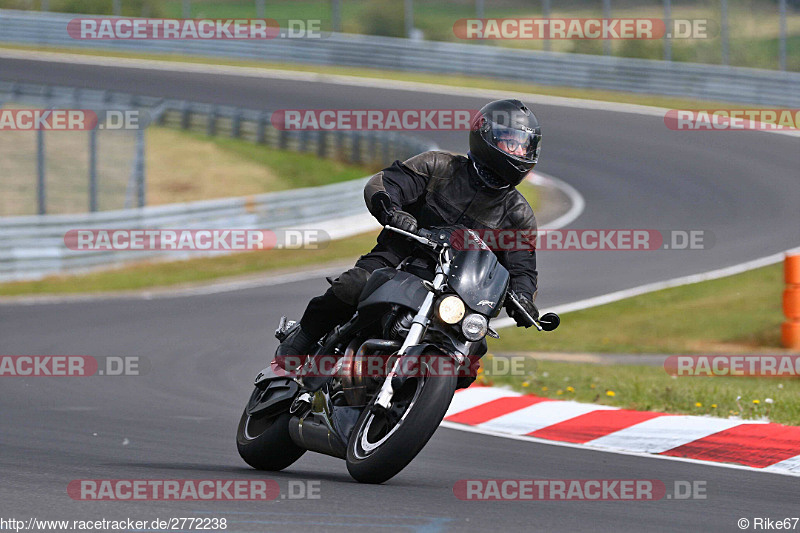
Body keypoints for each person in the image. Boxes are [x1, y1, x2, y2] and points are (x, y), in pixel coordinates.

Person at [276, 98, 542, 359]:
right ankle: (302, 339)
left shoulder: (518, 215)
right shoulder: (439, 165)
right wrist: (393, 211)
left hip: (457, 289)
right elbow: (386, 184)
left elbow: (522, 268)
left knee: (473, 349)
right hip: (398, 258)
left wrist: (524, 297)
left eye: (524, 146)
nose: (519, 152)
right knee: (354, 285)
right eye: (511, 142)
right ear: (487, 135)